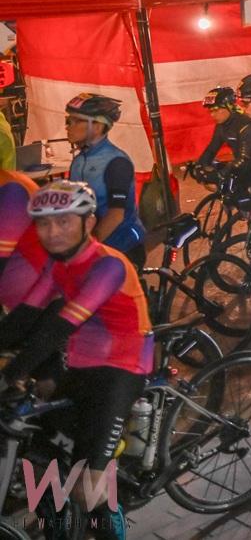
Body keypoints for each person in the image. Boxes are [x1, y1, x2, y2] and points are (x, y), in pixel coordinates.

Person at [0, 181, 153, 540]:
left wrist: (11, 373)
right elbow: (23, 318)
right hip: (81, 362)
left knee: (88, 490)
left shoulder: (108, 266)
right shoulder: (59, 266)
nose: (52, 232)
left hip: (121, 368)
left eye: (64, 221)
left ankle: (108, 519)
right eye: (43, 223)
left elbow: (57, 328)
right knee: (39, 450)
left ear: (89, 223)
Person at [63, 93, 144, 264]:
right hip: (95, 246)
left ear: (98, 127)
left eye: (76, 121)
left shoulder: (117, 162)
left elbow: (116, 214)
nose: (68, 126)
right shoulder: (78, 161)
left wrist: (88, 247)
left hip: (122, 248)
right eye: (68, 120)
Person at [193, 86, 251, 200]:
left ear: (229, 107)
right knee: (214, 175)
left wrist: (220, 175)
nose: (212, 115)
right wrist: (200, 165)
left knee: (233, 191)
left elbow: (244, 159)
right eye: (210, 111)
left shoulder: (246, 125)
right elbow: (211, 149)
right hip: (242, 165)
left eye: (216, 110)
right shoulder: (222, 125)